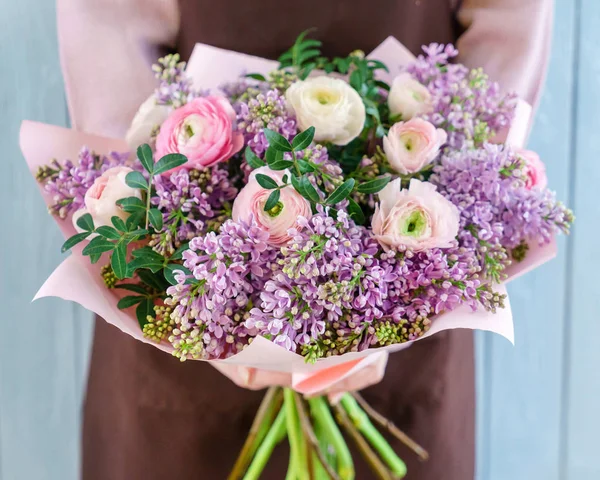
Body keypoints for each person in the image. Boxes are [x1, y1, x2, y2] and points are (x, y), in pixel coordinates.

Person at [57, 1, 552, 478]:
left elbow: (510, 16)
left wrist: (460, 176)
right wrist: (148, 194)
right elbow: (106, 20)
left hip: (412, 268)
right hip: (187, 278)